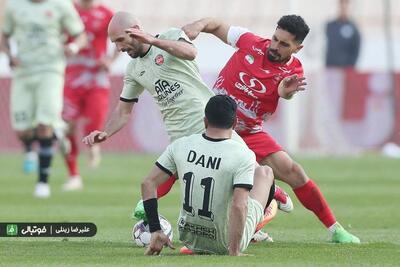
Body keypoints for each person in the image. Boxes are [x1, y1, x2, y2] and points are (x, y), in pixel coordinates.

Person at [82, 11, 286, 243]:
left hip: (211, 128)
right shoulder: (133, 70)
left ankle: (257, 220)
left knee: (258, 173)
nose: (118, 48)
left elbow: (190, 52)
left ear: (135, 30)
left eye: (120, 40)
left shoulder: (170, 36)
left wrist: (153, 40)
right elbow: (123, 111)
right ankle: (170, 231)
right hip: (181, 140)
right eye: (114, 43)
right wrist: (105, 132)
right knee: (205, 193)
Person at [181, 15, 360, 243]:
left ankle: (335, 230)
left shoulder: (293, 72)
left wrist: (286, 91)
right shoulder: (250, 42)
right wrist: (196, 26)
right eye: (275, 38)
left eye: (284, 44)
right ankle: (148, 210)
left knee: (294, 171)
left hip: (250, 132)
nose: (275, 46)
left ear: (298, 48)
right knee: (185, 161)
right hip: (218, 126)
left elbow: (285, 93)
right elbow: (215, 25)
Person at [142, 95, 275, 256]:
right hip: (225, 243)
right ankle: (262, 216)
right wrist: (234, 251)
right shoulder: (243, 155)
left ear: (205, 121)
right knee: (265, 172)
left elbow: (148, 183)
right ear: (234, 124)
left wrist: (156, 229)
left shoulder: (180, 145)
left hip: (189, 238)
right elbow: (239, 205)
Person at [1, 0, 86, 198]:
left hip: (50, 71)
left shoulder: (61, 5)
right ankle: (58, 133)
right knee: (23, 132)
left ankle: (42, 184)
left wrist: (72, 47)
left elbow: (80, 35)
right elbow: (4, 36)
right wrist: (9, 55)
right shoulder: (15, 5)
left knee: (43, 126)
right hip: (23, 72)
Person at [62, 0, 117, 191]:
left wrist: (110, 59)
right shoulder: (67, 10)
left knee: (94, 125)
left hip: (96, 78)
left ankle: (93, 147)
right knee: (67, 127)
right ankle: (73, 175)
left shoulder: (105, 13)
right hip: (71, 76)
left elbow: (123, 36)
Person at [325, 0, 361, 68]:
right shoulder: (330, 26)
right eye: (341, 4)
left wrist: (350, 67)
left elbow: (356, 50)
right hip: (330, 68)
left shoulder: (354, 28)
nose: (343, 7)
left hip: (346, 70)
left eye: (346, 5)